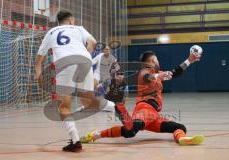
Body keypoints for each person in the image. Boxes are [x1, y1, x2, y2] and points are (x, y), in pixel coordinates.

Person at [81, 50, 204, 146]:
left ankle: (182, 139)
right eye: (157, 59)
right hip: (145, 108)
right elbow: (148, 77)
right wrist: (158, 75)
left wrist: (189, 60)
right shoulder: (143, 71)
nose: (158, 61)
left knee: (180, 128)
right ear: (153, 60)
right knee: (130, 131)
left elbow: (175, 72)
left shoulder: (158, 73)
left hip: (154, 116)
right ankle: (97, 133)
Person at [34, 10, 114, 152]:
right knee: (89, 101)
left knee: (64, 106)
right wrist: (85, 54)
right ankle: (117, 108)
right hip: (84, 62)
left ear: (59, 22)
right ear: (71, 20)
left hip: (65, 65)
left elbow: (39, 58)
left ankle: (76, 141)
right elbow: (93, 42)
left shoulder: (51, 32)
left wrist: (38, 73)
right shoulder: (79, 28)